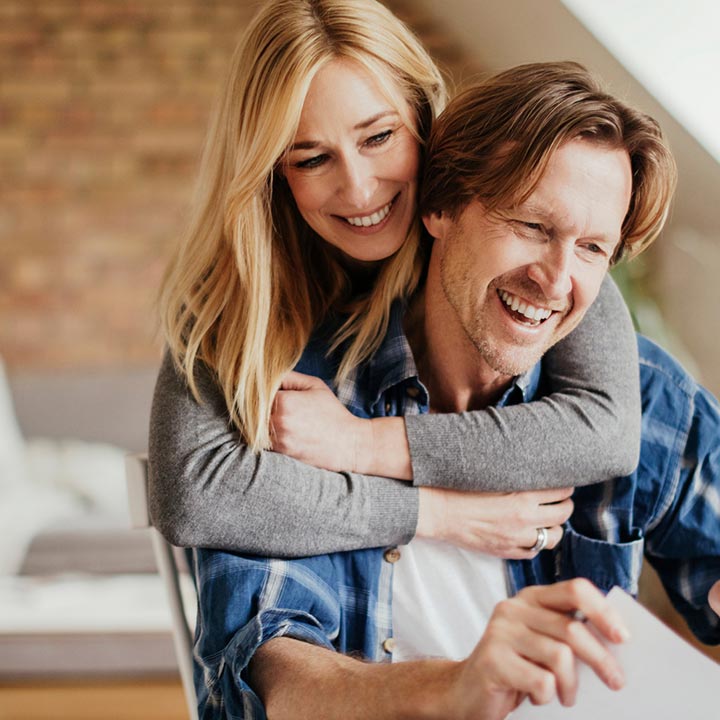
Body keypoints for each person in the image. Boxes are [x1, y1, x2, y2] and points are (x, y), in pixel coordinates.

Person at [190, 62, 720, 719]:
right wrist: (455, 687)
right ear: (439, 206)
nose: (556, 282)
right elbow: (275, 678)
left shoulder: (641, 395)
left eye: (591, 248)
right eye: (532, 226)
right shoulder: (303, 404)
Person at [149, 0, 642, 566]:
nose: (359, 190)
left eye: (379, 137)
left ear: (420, 116)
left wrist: (360, 445)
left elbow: (605, 430)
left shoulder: (507, 228)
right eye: (311, 159)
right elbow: (194, 495)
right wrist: (440, 514)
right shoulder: (237, 291)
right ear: (272, 173)